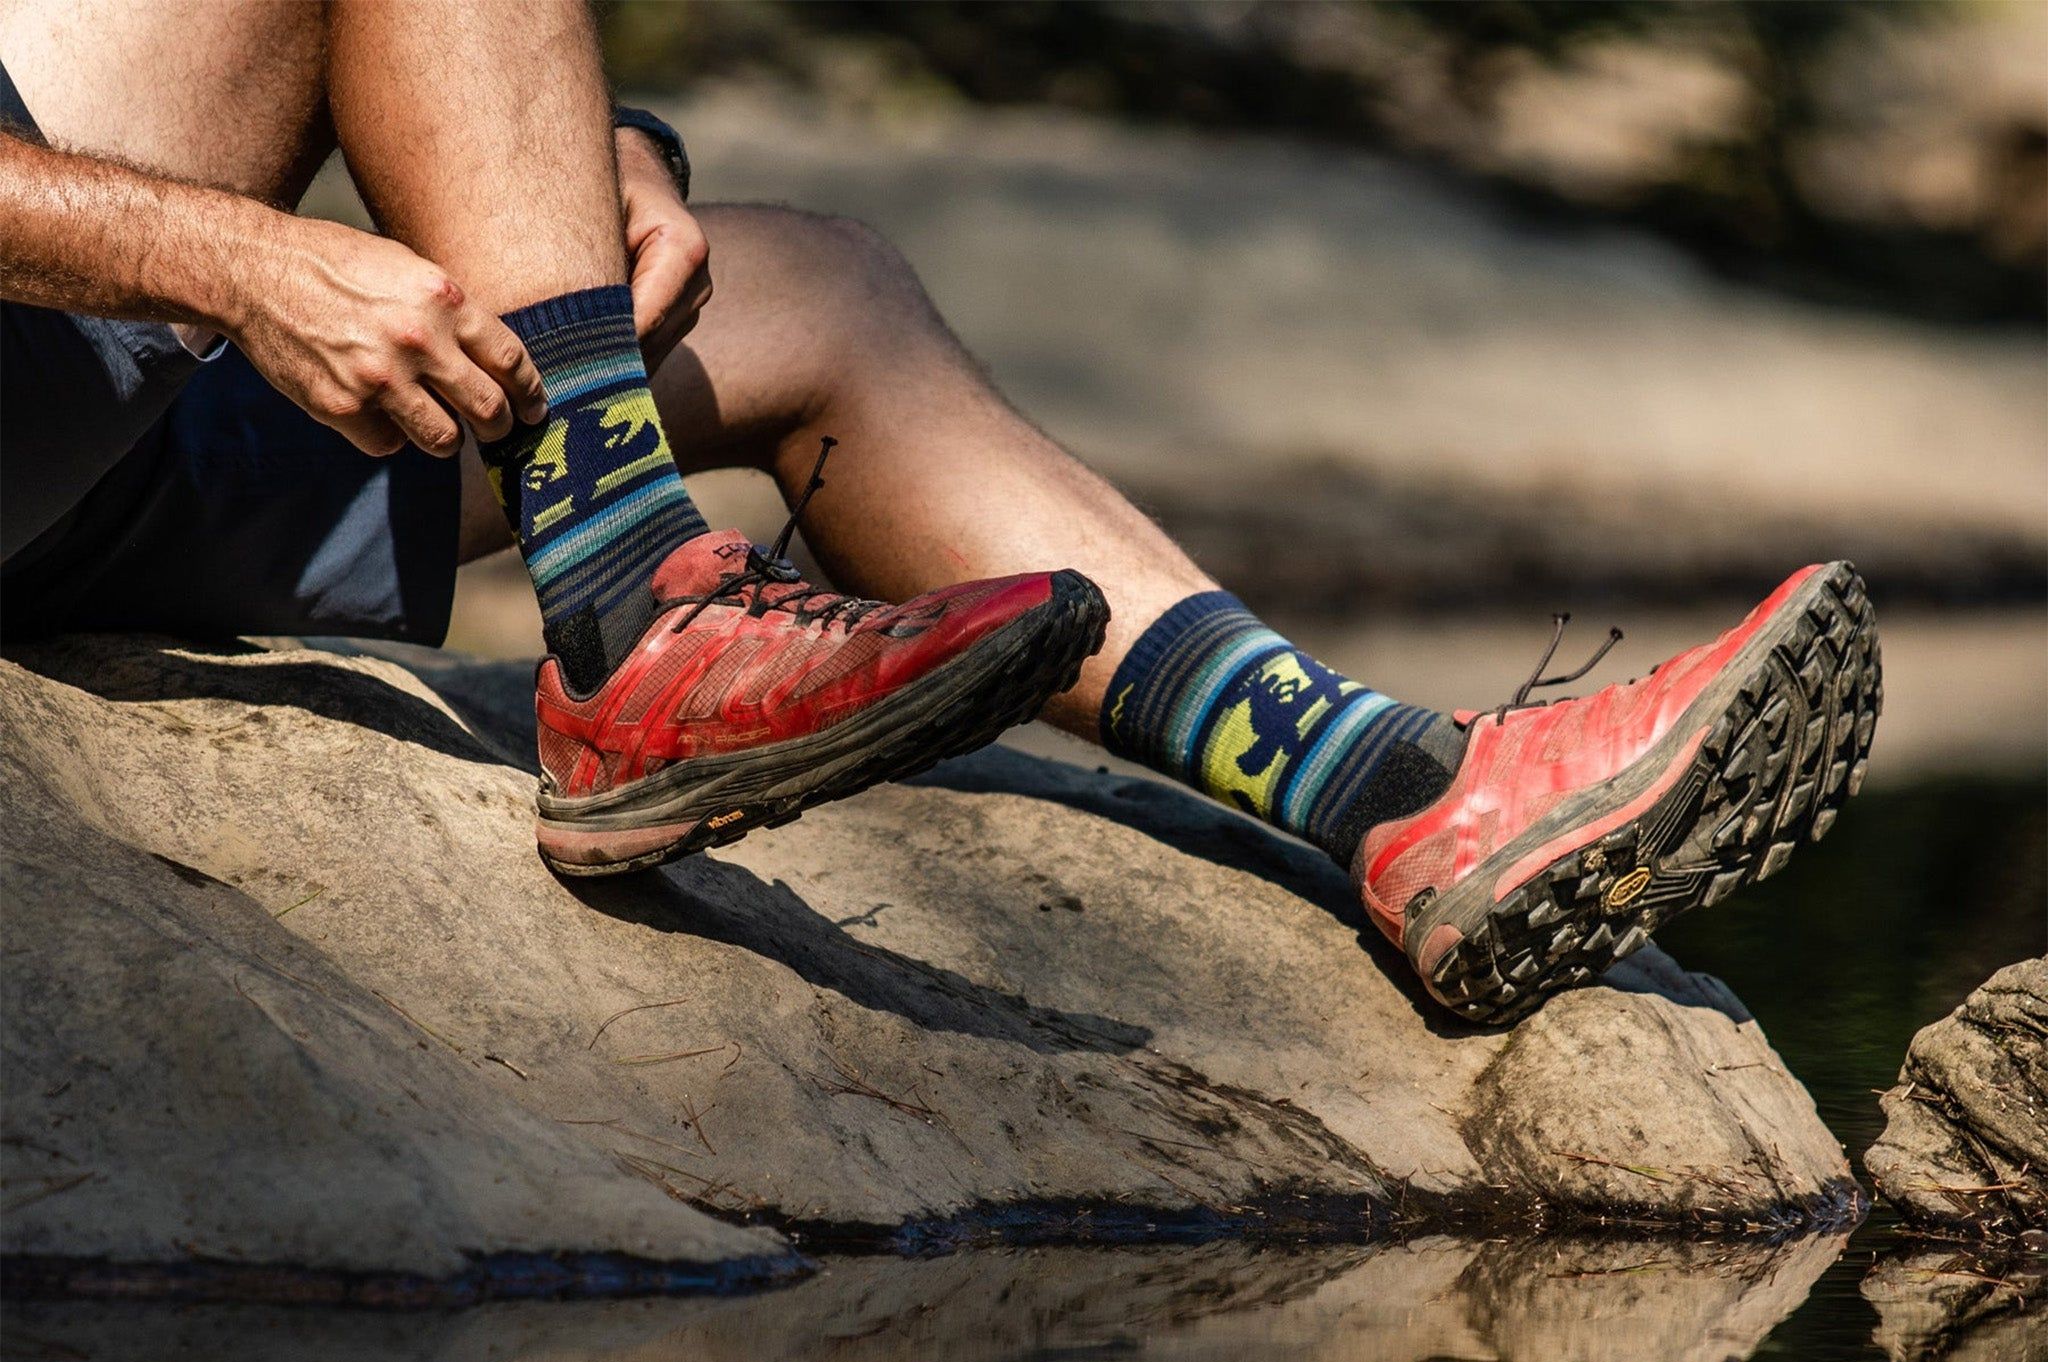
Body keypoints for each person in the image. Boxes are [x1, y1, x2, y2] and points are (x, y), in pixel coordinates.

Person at [0, 0, 1880, 1026]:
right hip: (81, 338)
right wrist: (232, 256)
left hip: (91, 440)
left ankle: (1399, 795)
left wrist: (589, 170)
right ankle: (631, 615)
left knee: (813, 300)